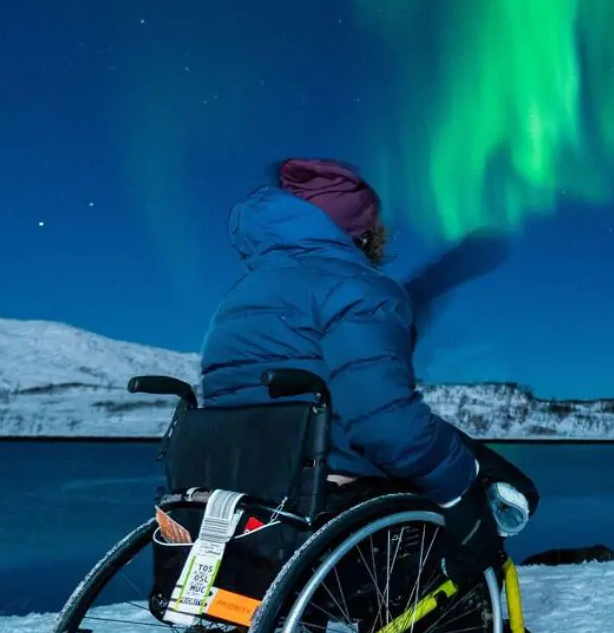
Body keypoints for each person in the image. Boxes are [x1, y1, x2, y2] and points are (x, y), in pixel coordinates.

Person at [198, 157, 510, 588]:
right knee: (493, 491)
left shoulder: (243, 294)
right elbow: (384, 422)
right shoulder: (357, 288)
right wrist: (462, 487)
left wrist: (452, 268)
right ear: (361, 231)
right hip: (323, 489)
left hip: (235, 485)